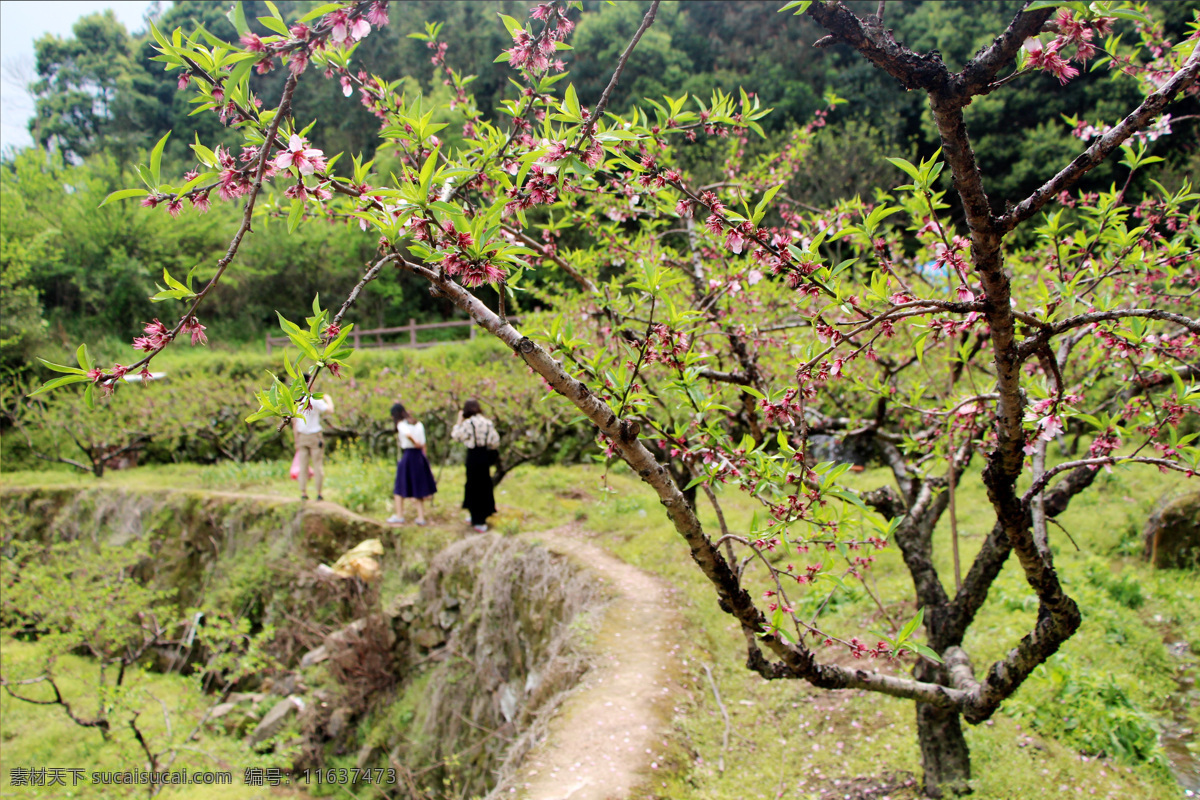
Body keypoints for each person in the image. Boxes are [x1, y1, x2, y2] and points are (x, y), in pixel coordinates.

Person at [450, 398, 500, 532]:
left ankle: (477, 520)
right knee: (484, 485)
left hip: (473, 456)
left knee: (472, 485)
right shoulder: (487, 422)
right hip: (484, 456)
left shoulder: (468, 423)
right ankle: (479, 517)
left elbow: (456, 436)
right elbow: (495, 441)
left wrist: (459, 420)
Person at [388, 402, 437, 525]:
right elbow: (424, 442)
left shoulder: (401, 424)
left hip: (409, 455)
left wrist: (414, 442)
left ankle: (399, 516)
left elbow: (407, 434)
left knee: (399, 487)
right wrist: (424, 457)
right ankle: (421, 518)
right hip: (419, 456)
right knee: (418, 487)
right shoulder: (418, 424)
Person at [293, 393, 334, 501]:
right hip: (314, 436)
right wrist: (328, 399)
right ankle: (319, 493)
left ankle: (303, 492)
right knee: (317, 465)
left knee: (303, 466)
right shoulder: (314, 399)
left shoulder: (296, 400)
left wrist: (296, 440)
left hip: (301, 436)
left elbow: (294, 422)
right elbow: (330, 410)